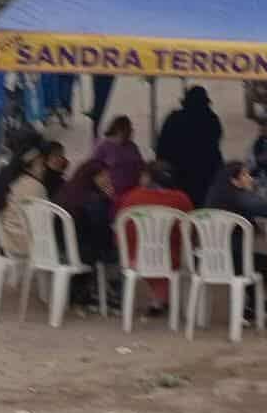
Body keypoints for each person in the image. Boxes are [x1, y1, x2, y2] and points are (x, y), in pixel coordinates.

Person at [204, 162, 267, 322]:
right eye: (245, 175)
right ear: (234, 181)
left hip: (208, 259)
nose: (250, 178)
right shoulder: (239, 197)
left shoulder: (214, 196)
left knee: (255, 262)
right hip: (232, 260)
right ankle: (255, 304)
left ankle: (254, 305)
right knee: (265, 264)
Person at [114, 161, 195, 313]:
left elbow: (120, 227)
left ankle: (158, 299)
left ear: (147, 177)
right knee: (168, 252)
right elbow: (189, 232)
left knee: (146, 250)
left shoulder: (132, 197)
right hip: (169, 259)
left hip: (133, 258)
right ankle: (159, 299)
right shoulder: (181, 199)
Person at [55, 158, 120, 309]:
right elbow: (103, 234)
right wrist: (108, 201)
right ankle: (114, 297)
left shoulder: (65, 191)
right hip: (80, 253)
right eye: (103, 176)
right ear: (91, 177)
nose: (107, 180)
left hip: (58, 249)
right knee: (118, 253)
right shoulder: (94, 200)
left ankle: (83, 291)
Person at [156, 85, 224, 207]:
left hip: (177, 172)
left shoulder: (174, 118)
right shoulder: (211, 119)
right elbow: (216, 143)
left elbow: (162, 146)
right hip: (204, 172)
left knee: (179, 207)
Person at [0, 143, 50, 260]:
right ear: (27, 166)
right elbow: (44, 222)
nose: (45, 168)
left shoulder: (7, 178)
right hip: (22, 244)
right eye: (41, 164)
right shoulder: (35, 186)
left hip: (3, 238)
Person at [93, 116, 146, 199]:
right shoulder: (102, 146)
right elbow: (93, 169)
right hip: (112, 195)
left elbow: (141, 166)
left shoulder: (132, 146)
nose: (130, 134)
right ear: (118, 131)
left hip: (132, 193)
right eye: (127, 131)